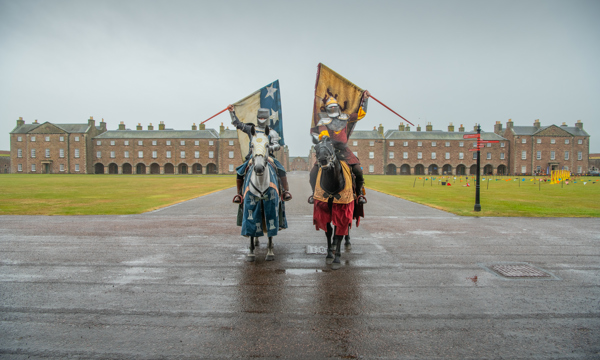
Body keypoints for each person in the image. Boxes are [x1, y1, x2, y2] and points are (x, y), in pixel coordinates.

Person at [309, 91, 370, 205]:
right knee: (313, 173)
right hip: (328, 150)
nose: (332, 110)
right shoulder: (324, 121)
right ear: (327, 109)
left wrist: (365, 99)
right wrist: (326, 139)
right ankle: (314, 194)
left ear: (338, 108)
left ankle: (359, 194)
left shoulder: (345, 117)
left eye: (334, 108)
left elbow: (360, 114)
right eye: (330, 108)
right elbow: (323, 134)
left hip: (344, 150)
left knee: (357, 169)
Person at [228, 105, 292, 203]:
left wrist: (267, 148)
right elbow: (238, 124)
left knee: (281, 169)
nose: (262, 120)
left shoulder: (272, 132)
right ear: (258, 118)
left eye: (264, 118)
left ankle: (284, 191)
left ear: (267, 119)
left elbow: (277, 145)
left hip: (267, 156)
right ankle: (239, 194)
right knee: (240, 171)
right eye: (260, 118)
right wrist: (232, 112)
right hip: (253, 156)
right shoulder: (251, 129)